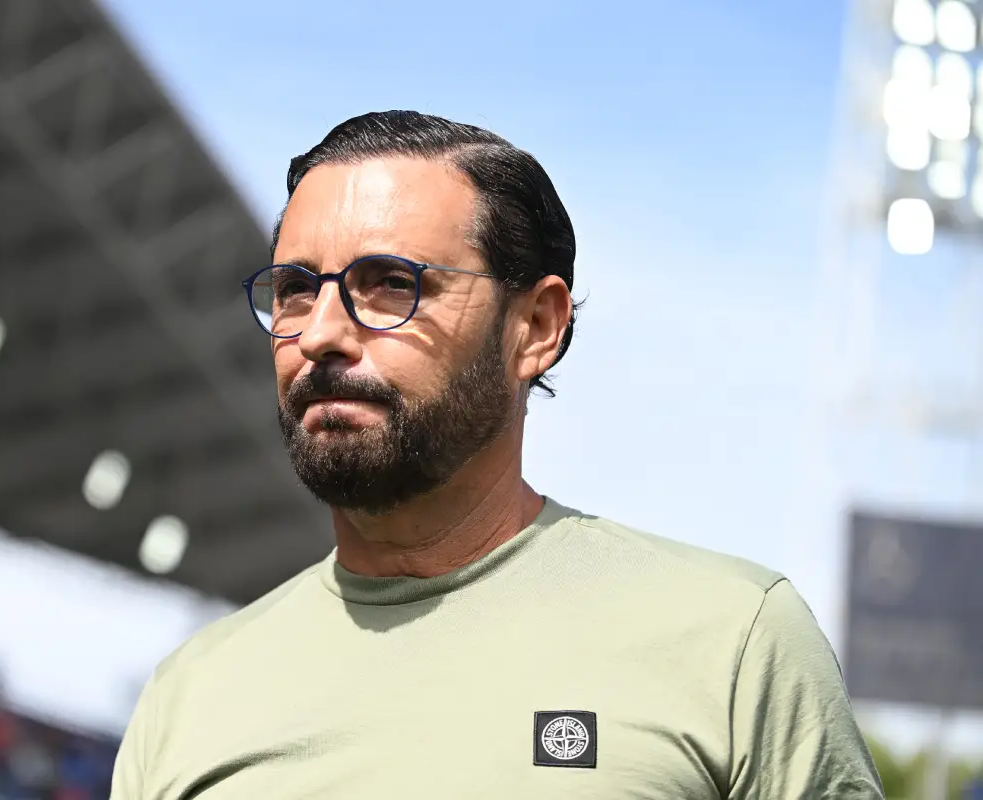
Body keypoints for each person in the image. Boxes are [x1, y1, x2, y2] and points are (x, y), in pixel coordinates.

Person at [110, 111, 883, 798]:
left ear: (537, 328)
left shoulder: (733, 644)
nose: (319, 334)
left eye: (391, 285)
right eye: (296, 289)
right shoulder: (191, 699)